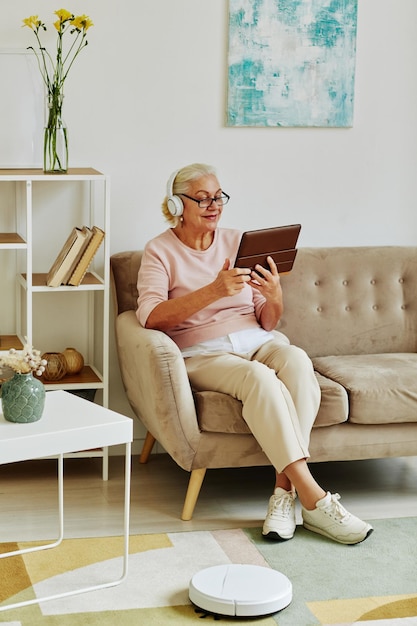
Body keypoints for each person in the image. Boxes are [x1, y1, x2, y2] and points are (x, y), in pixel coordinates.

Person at [136, 163, 373, 545]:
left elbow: (267, 319)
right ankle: (315, 499)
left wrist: (275, 295)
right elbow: (150, 317)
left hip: (256, 340)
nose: (214, 206)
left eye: (219, 197)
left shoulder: (238, 242)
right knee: (259, 380)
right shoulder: (159, 251)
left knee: (297, 362)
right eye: (202, 198)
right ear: (176, 205)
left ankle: (284, 495)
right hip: (203, 352)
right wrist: (213, 291)